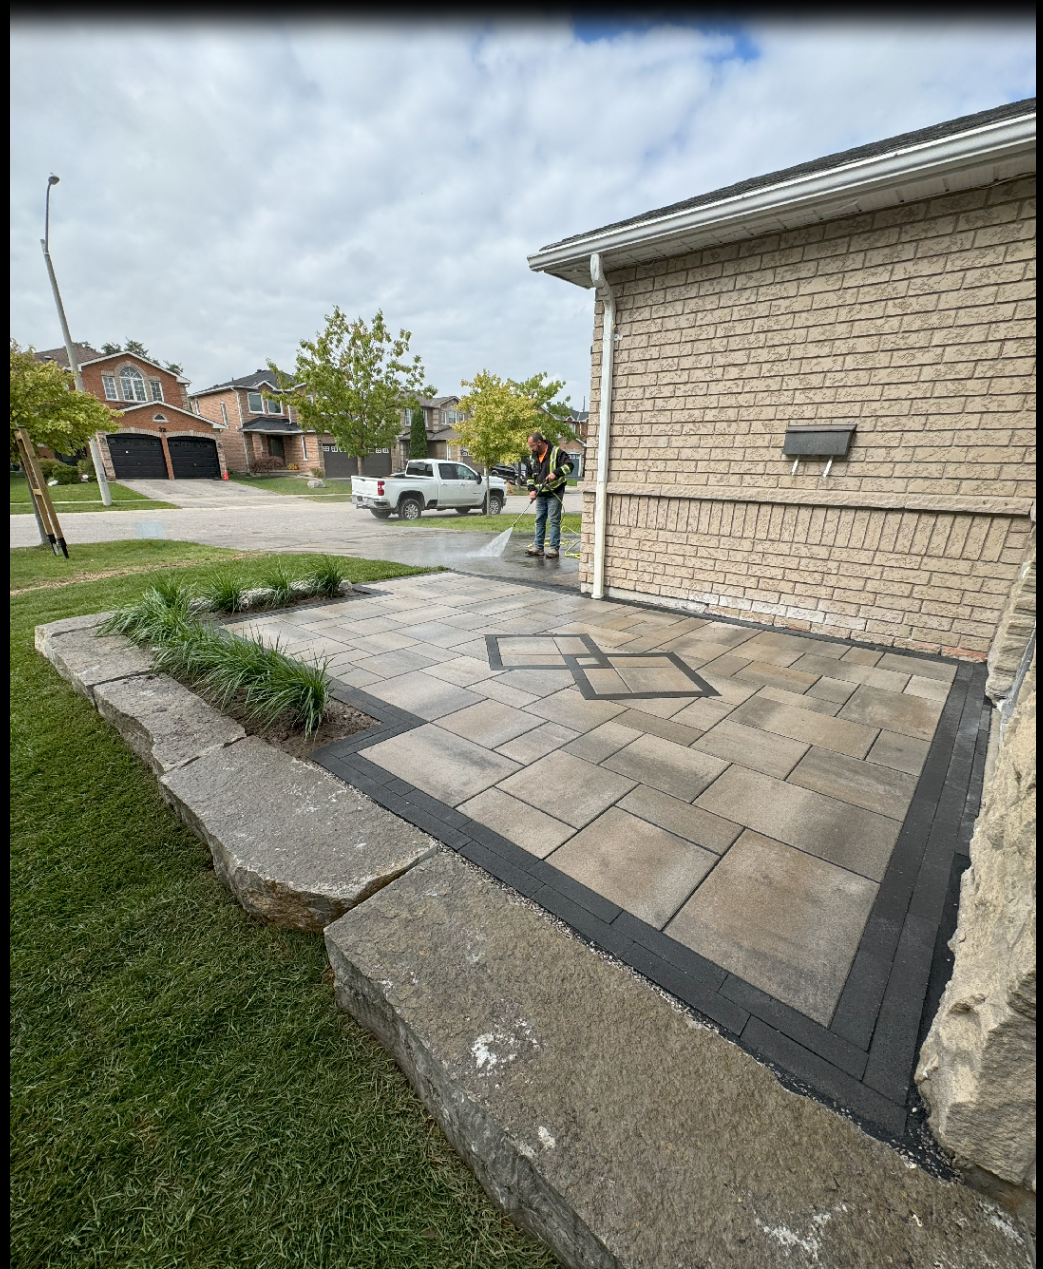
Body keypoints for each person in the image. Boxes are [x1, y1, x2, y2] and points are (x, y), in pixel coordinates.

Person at [524, 431, 573, 558]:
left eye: (532, 446)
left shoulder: (556, 452)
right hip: (541, 494)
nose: (531, 449)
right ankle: (538, 548)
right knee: (539, 520)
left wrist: (555, 473)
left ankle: (553, 549)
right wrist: (531, 489)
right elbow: (529, 475)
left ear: (539, 443)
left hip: (554, 492)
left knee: (553, 520)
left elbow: (569, 466)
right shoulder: (533, 457)